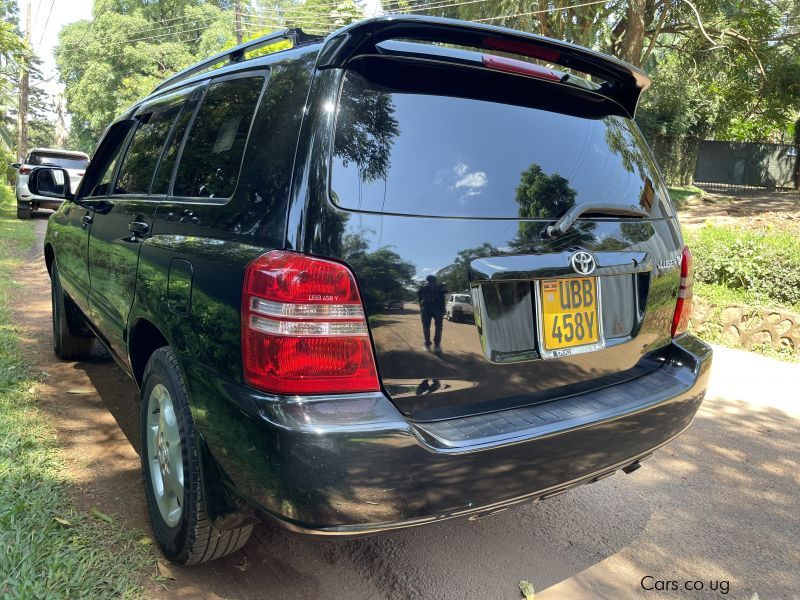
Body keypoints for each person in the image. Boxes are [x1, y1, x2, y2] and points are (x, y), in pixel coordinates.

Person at [418, 275, 447, 352]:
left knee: (426, 326)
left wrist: (421, 307)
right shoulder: (440, 287)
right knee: (438, 326)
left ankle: (427, 343)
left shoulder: (423, 288)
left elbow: (419, 299)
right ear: (435, 280)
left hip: (427, 308)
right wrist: (443, 309)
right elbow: (443, 298)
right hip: (436, 308)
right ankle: (436, 344)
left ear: (427, 280)